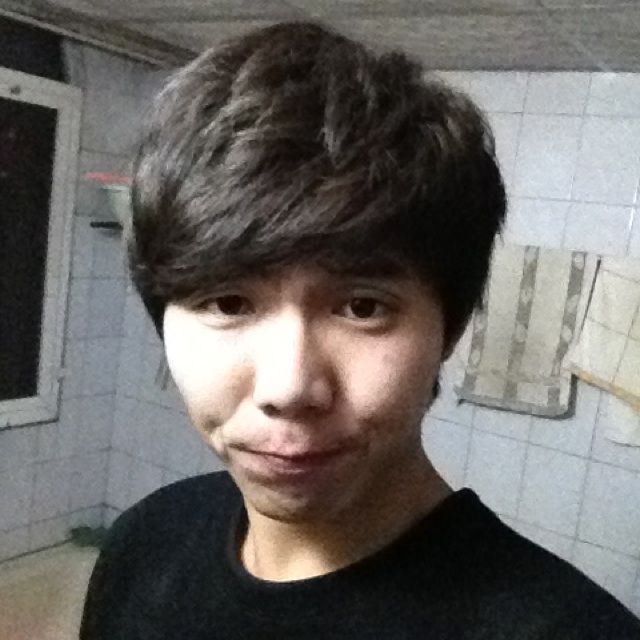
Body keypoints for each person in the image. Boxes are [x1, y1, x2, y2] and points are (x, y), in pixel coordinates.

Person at [79, 21, 640, 639]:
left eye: (363, 308)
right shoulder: (144, 545)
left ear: (450, 328)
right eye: (229, 302)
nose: (289, 388)